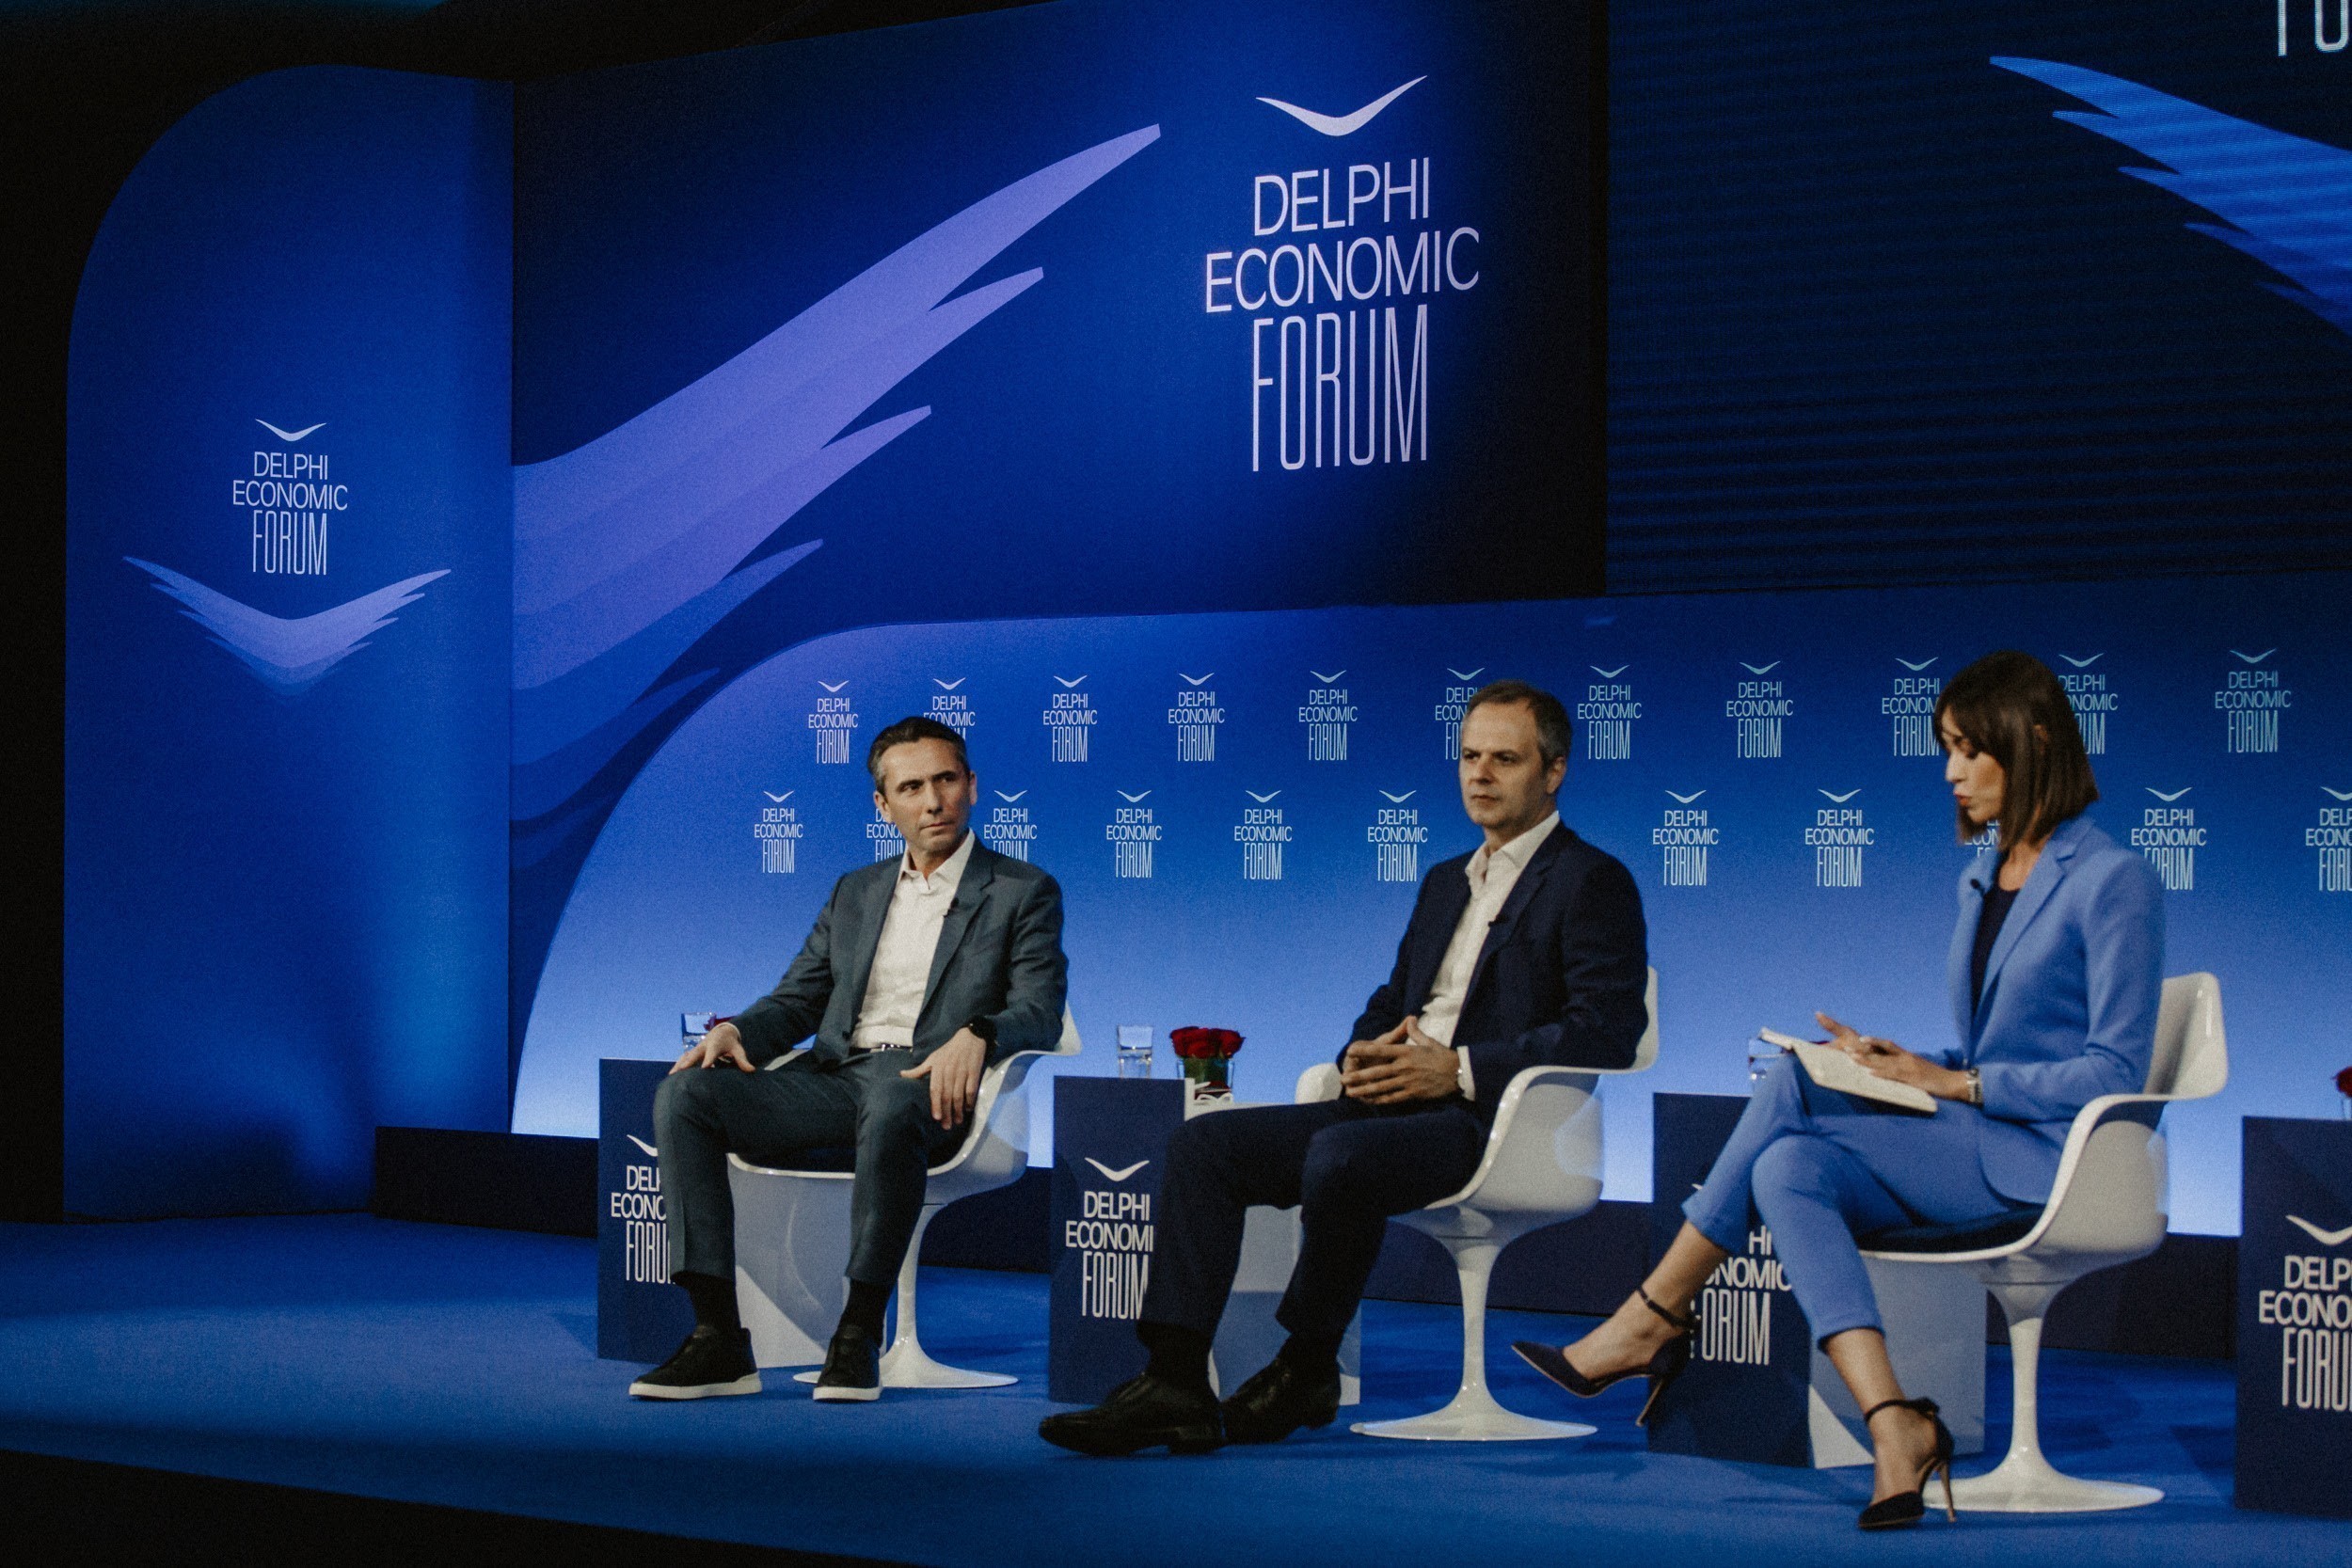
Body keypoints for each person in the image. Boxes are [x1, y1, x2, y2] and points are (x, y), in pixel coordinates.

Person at [1515, 649, 2163, 1530]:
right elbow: (1989, 1043)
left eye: (1970, 749)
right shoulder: (1981, 875)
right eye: (1947, 748)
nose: (1951, 771)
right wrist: (1896, 1061)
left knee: (1789, 1083)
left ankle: (1653, 1314)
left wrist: (1957, 1079)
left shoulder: (2115, 878)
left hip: (2054, 1158)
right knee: (1787, 1166)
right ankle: (1894, 1423)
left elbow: (2116, 1070)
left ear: (2036, 739)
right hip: (1975, 1134)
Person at [1039, 680, 1649, 1455]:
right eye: (1469, 756)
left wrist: (1459, 1069)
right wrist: (1359, 1052)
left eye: (1505, 758)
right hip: (1388, 1104)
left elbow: (1607, 1030)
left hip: (1488, 1121)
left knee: (1340, 1155)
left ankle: (1306, 1362)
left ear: (1554, 770)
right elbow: (1395, 998)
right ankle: (1174, 1376)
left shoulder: (1591, 879)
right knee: (1206, 1145)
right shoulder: (1446, 880)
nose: (1480, 774)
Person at [629, 716, 1068, 1402]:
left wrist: (979, 1032)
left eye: (947, 780)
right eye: (912, 787)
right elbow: (798, 999)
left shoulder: (1021, 889)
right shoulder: (855, 890)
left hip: (928, 1086)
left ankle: (857, 1332)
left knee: (892, 1097)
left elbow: (1040, 1007)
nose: (933, 801)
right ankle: (718, 1338)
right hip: (835, 1079)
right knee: (687, 1095)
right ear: (883, 805)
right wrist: (738, 1031)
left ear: (973, 786)